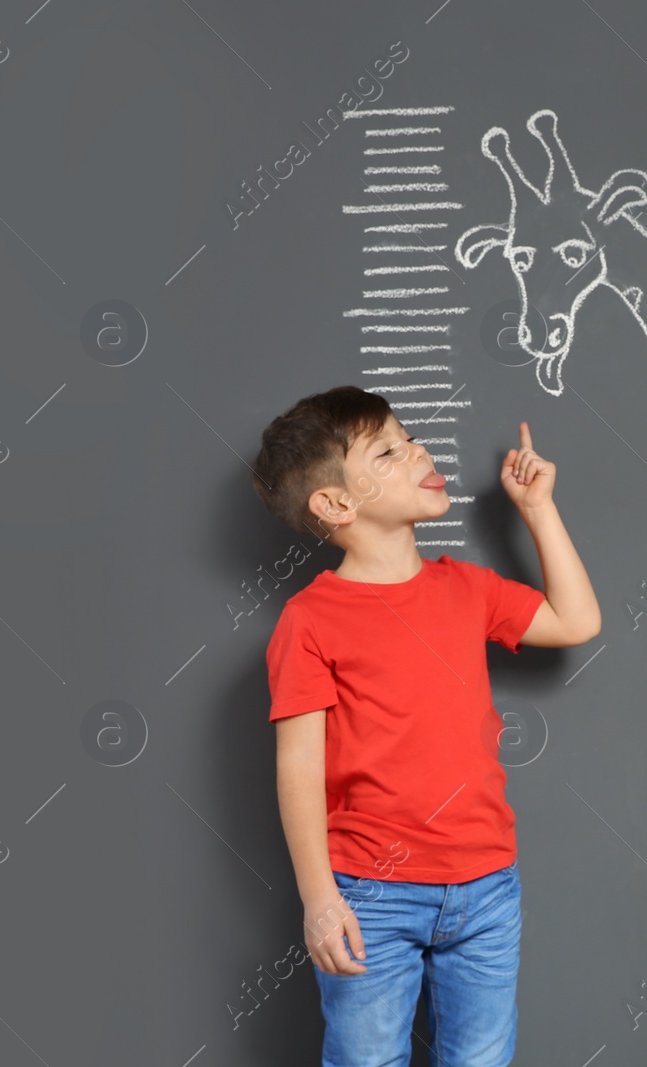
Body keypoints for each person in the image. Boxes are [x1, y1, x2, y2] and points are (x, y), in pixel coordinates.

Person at [251, 384, 600, 1066]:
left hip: (488, 884)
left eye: (409, 437)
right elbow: (297, 764)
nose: (418, 451)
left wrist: (537, 508)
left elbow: (578, 620)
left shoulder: (466, 588)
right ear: (335, 503)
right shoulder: (311, 619)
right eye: (388, 450)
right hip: (370, 896)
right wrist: (320, 899)